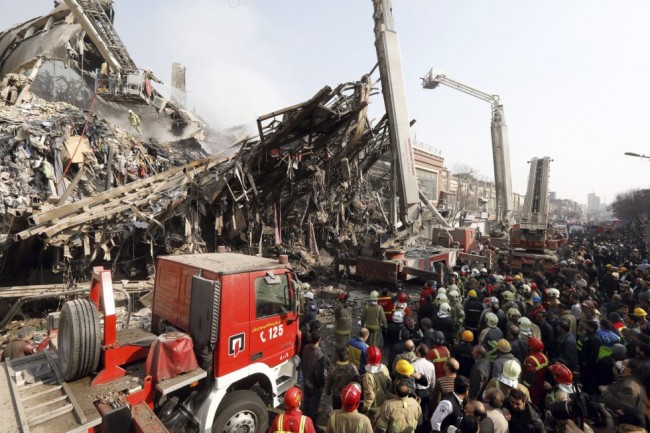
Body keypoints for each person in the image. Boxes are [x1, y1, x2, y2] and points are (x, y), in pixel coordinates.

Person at [302, 329, 326, 429]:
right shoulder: (319, 354)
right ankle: (312, 427)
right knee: (313, 406)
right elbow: (319, 373)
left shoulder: (306, 347)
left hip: (306, 379)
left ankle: (304, 420)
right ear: (319, 339)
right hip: (314, 384)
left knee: (306, 402)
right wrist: (321, 384)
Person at [361, 346, 392, 421]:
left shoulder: (368, 376)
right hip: (384, 402)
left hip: (374, 406)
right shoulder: (384, 368)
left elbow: (370, 395)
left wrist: (365, 408)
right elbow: (389, 383)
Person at [413, 343, 436, 432]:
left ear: (418, 353)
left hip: (417, 392)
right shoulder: (431, 365)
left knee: (416, 413)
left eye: (417, 349)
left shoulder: (413, 365)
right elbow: (433, 380)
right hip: (427, 392)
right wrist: (431, 391)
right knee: (425, 414)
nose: (415, 350)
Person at [522, 337, 549, 409]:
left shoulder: (530, 360)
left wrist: (524, 386)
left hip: (533, 387)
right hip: (542, 385)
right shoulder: (544, 356)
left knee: (533, 404)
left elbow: (530, 377)